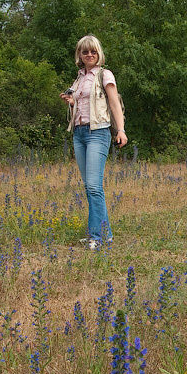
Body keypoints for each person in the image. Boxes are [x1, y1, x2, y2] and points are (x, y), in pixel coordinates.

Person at [60, 35, 127, 249]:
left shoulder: (105, 75)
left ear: (99, 54)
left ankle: (96, 237)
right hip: (79, 134)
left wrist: (121, 130)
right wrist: (71, 102)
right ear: (79, 54)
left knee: (93, 186)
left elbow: (114, 103)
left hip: (98, 132)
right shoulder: (79, 79)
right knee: (90, 187)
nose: (89, 55)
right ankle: (105, 235)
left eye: (93, 52)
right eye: (85, 51)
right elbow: (81, 106)